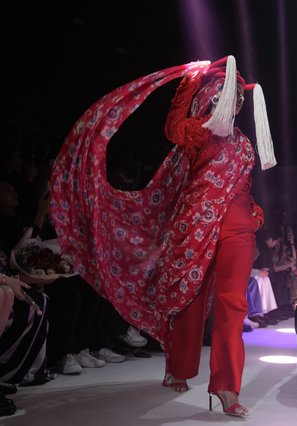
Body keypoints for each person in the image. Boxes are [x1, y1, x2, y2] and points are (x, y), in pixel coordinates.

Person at [49, 56, 276, 417]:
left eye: (236, 98)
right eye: (224, 96)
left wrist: (254, 212)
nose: (231, 103)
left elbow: (243, 184)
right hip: (196, 226)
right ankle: (180, 368)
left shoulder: (245, 145)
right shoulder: (201, 134)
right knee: (188, 299)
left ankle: (227, 388)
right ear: (212, 100)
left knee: (233, 306)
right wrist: (189, 81)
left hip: (237, 228)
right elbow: (173, 129)